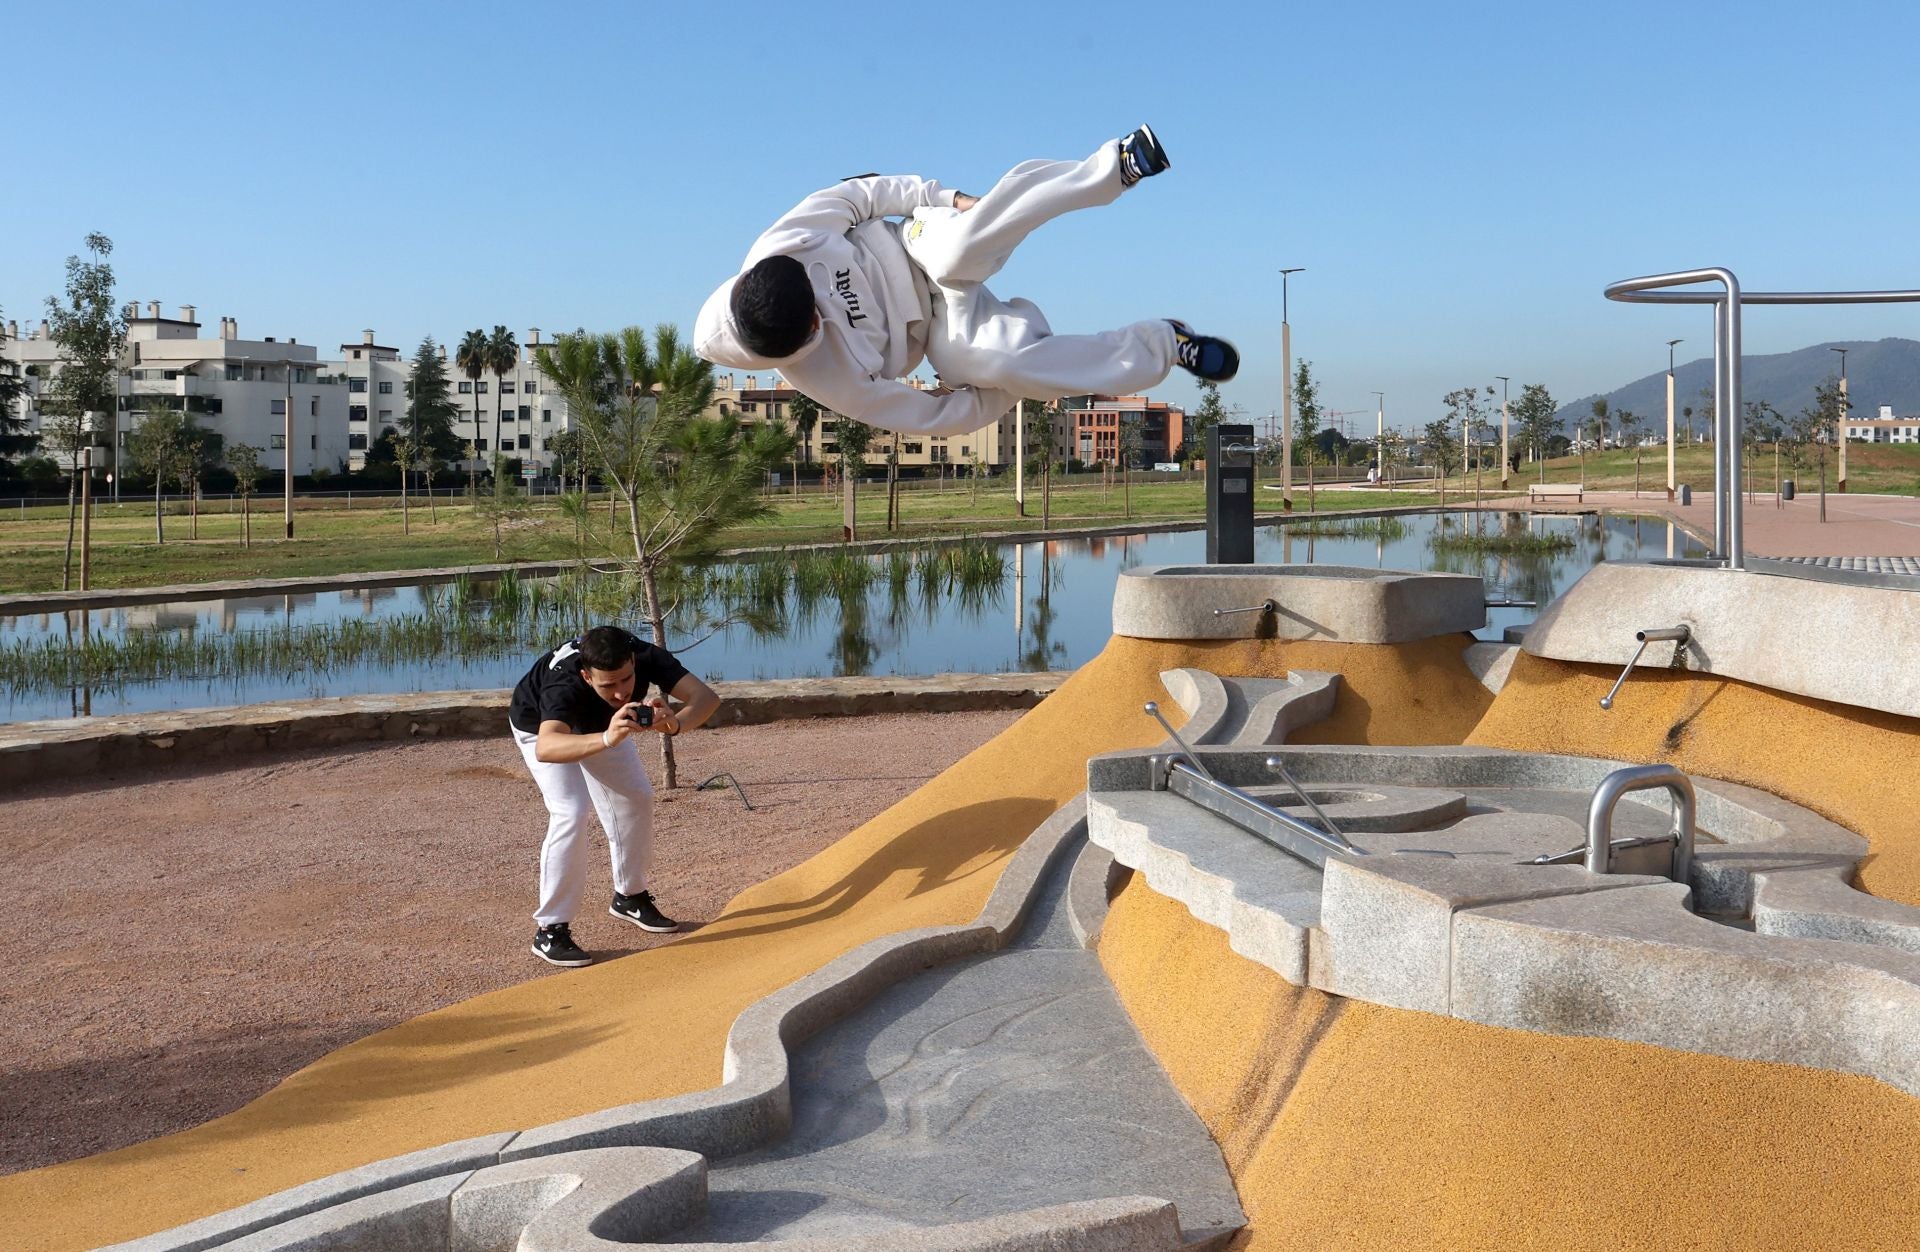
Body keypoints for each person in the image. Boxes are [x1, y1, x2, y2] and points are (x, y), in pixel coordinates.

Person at [694, 125, 1240, 438]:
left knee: (959, 244)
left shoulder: (780, 244)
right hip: (939, 331)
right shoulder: (820, 377)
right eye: (817, 323)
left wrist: (948, 199)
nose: (825, 313)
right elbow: (927, 416)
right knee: (1004, 363)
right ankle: (1167, 342)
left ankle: (1114, 166)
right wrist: (1007, 388)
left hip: (915, 246)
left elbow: (863, 195)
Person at [508, 624, 721, 967]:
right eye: (608, 685)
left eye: (626, 680)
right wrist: (608, 739)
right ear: (586, 676)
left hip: (603, 726)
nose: (622, 692)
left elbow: (706, 699)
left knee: (636, 796)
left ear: (633, 661)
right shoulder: (563, 683)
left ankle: (630, 896)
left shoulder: (645, 655)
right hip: (542, 729)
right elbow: (548, 746)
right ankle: (550, 930)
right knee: (571, 810)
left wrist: (673, 723)